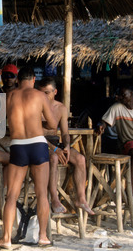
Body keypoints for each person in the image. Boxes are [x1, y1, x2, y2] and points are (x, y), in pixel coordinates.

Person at [0, 67, 57, 249]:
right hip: (38, 144)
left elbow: (0, 120)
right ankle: (43, 236)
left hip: (18, 145)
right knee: (42, 193)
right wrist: (37, 121)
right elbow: (53, 125)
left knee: (11, 195)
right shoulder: (40, 96)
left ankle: (6, 239)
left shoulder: (9, 96)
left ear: (18, 80)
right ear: (34, 79)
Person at [37, 77, 94, 215]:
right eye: (41, 93)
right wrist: (55, 150)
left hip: (56, 142)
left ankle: (80, 198)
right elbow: (35, 133)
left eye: (47, 93)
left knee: (80, 159)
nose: (44, 96)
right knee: (54, 159)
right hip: (41, 142)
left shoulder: (61, 108)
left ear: (55, 92)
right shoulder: (36, 107)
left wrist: (67, 146)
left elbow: (65, 133)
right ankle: (55, 199)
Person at [96, 84, 133, 196]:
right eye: (119, 95)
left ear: (131, 95)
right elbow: (104, 121)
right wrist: (100, 125)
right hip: (127, 143)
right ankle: (130, 191)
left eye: (123, 95)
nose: (120, 98)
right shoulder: (117, 107)